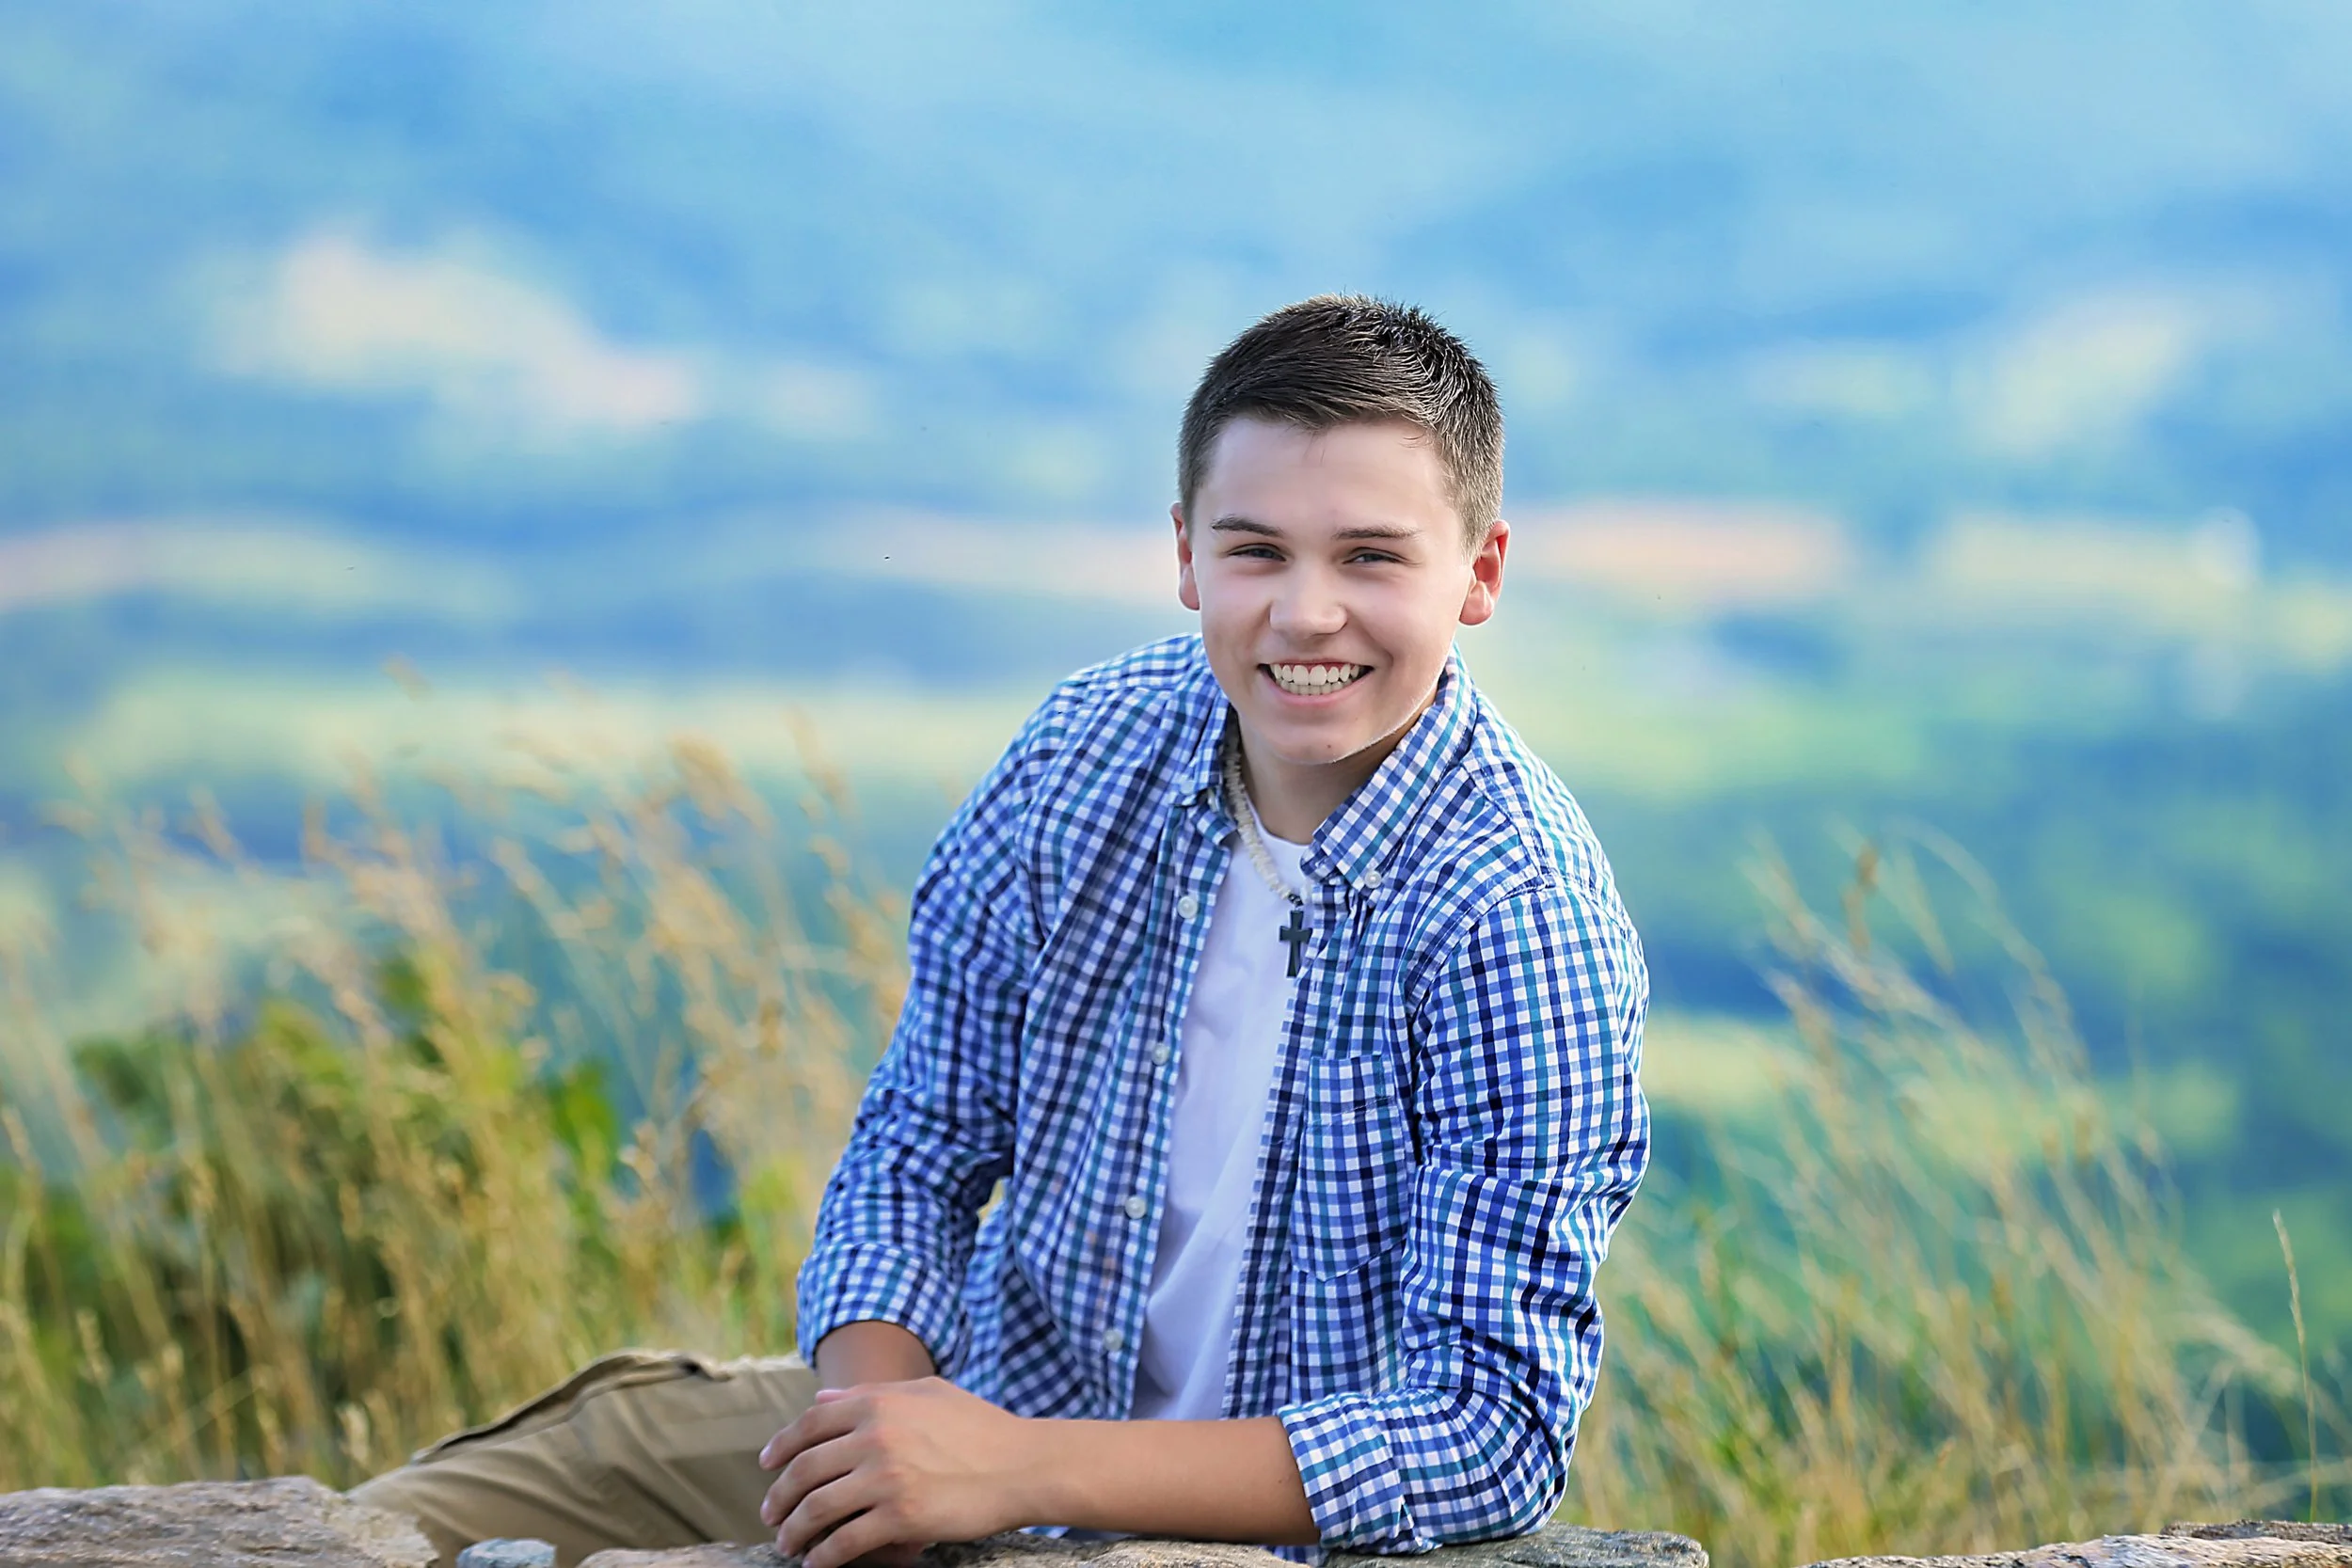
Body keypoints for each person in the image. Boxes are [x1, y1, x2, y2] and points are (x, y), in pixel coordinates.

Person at [353, 295, 1651, 1568]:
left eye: (1371, 556)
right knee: (384, 1524)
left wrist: (1015, 1467)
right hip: (964, 1406)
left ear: (1478, 573)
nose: (1306, 613)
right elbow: (919, 1142)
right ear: (1187, 552)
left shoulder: (1516, 918)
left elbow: (1487, 1429)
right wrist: (884, 1438)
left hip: (1235, 1521)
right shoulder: (1086, 752)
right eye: (1258, 550)